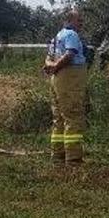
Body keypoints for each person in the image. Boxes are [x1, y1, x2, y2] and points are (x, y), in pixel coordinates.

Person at [43, 9, 88, 165]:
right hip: (70, 76)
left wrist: (52, 67)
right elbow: (70, 54)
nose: (82, 23)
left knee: (59, 117)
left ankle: (58, 155)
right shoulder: (71, 35)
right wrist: (57, 65)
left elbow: (47, 59)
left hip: (56, 78)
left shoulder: (57, 37)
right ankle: (74, 158)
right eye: (79, 20)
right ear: (69, 20)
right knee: (73, 114)